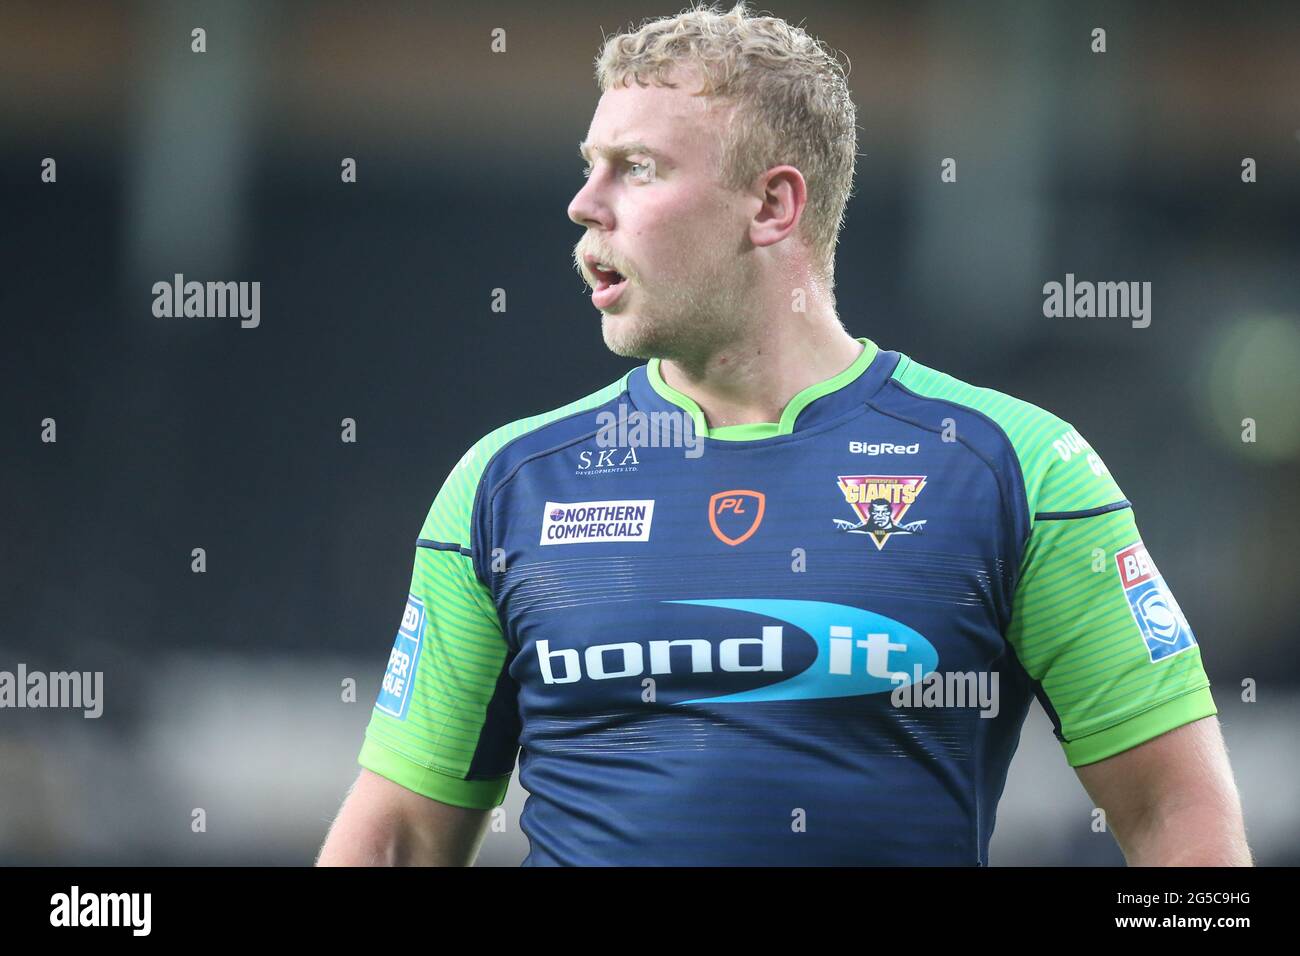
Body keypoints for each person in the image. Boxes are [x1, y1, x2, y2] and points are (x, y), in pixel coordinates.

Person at [318, 2, 1250, 866]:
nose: (584, 203)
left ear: (773, 206)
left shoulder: (1012, 467)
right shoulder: (507, 485)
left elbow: (1177, 811)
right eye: (588, 164)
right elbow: (398, 832)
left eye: (636, 168)